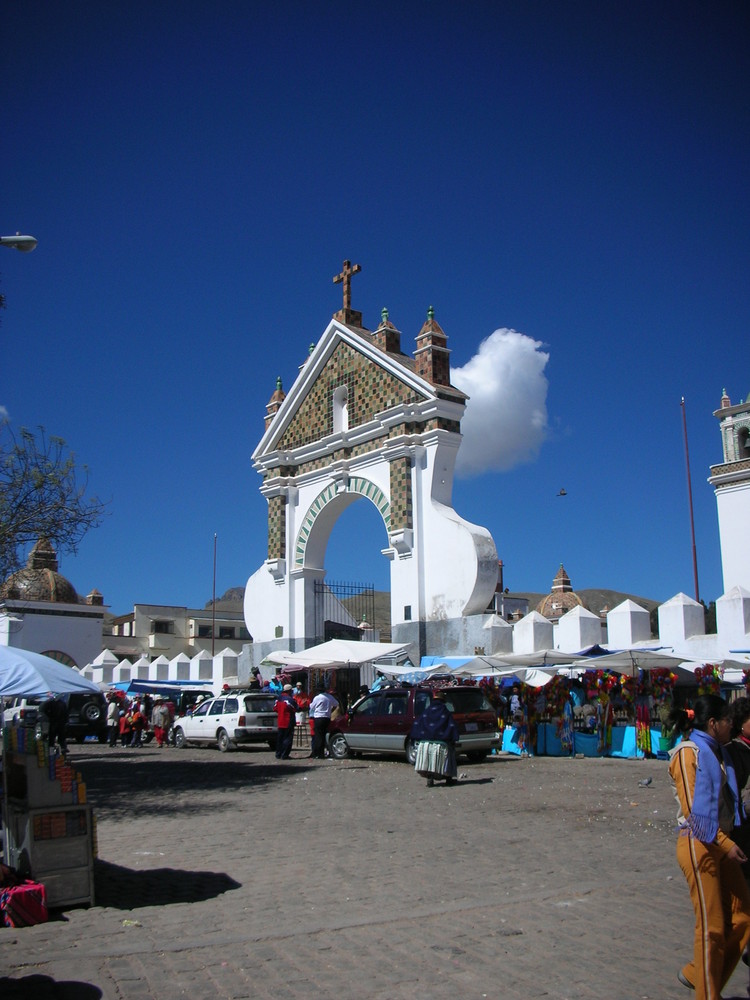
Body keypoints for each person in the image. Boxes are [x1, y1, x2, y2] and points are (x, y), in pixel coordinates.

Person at [667, 694, 750, 998]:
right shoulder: (688, 753)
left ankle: (701, 974)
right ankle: (706, 990)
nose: (733, 725)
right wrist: (726, 843)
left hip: (721, 841)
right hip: (699, 843)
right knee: (711, 927)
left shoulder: (720, 753)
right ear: (713, 724)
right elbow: (693, 811)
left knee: (743, 916)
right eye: (728, 720)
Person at [410, 688, 460, 787]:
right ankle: (448, 778)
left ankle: (430, 778)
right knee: (449, 753)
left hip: (425, 743)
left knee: (429, 760)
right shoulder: (445, 713)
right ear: (443, 701)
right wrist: (453, 739)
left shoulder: (426, 712)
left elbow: (418, 725)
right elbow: (451, 727)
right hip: (441, 743)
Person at [308, 683, 339, 759]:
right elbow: (336, 704)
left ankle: (318, 753)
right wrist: (330, 710)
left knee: (318, 736)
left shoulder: (317, 698)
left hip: (318, 717)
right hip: (327, 717)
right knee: (324, 735)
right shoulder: (329, 697)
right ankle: (324, 751)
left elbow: (311, 707)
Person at [274, 684, 298, 759]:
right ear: (289, 691)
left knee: (280, 738)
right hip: (288, 721)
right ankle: (284, 754)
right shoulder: (290, 699)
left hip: (280, 721)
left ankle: (278, 754)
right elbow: (296, 708)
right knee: (287, 738)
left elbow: (275, 708)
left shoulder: (278, 698)